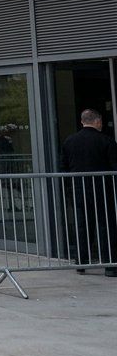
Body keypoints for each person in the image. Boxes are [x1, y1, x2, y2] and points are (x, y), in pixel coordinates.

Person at [61, 109, 117, 277]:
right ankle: (110, 265)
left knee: (83, 225)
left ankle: (81, 262)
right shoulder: (105, 140)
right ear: (97, 122)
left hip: (78, 190)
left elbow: (63, 166)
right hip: (102, 189)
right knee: (106, 226)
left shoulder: (69, 141)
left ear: (82, 121)